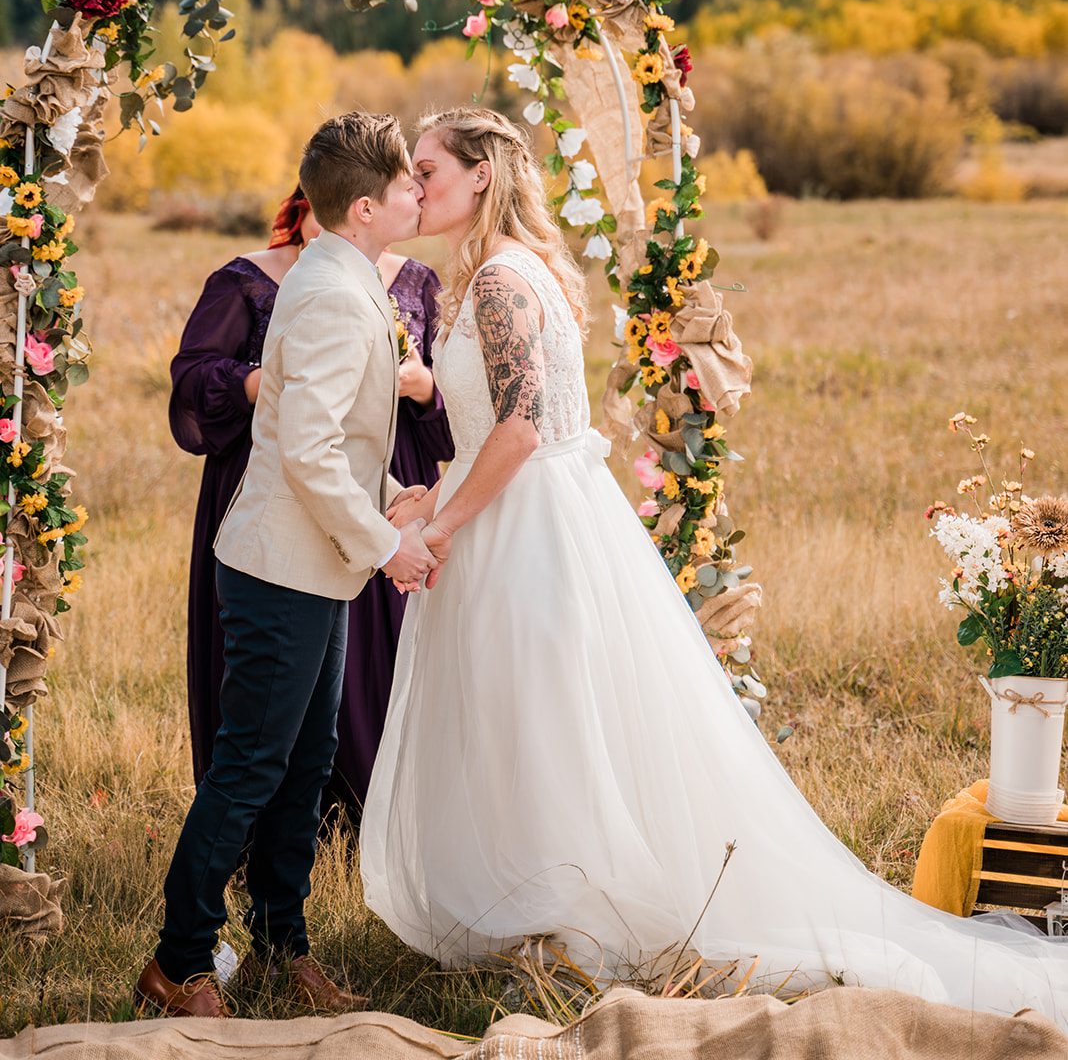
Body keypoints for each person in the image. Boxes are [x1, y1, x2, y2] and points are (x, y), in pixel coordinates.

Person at [361, 106, 1068, 1032]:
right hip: (523, 514)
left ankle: (567, 922)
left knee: (541, 715)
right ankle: (537, 914)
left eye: (428, 168)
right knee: (524, 715)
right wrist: (431, 494)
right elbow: (497, 421)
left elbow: (526, 427)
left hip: (526, 531)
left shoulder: (498, 280)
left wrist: (445, 527)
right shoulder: (497, 274)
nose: (416, 186)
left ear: (482, 174)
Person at [137, 112, 436, 1019]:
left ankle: (282, 944)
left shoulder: (331, 275)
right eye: (405, 188)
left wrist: (389, 493)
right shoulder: (341, 295)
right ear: (362, 209)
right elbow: (305, 454)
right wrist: (390, 546)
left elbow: (318, 436)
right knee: (250, 768)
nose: (419, 196)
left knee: (304, 766)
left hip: (314, 568)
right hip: (279, 572)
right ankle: (178, 962)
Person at [170, 184, 452, 815]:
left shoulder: (418, 283)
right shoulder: (250, 281)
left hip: (382, 477)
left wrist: (421, 385)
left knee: (366, 662)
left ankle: (369, 812)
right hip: (277, 479)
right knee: (272, 681)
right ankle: (246, 832)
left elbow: (455, 412)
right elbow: (192, 381)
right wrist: (263, 383)